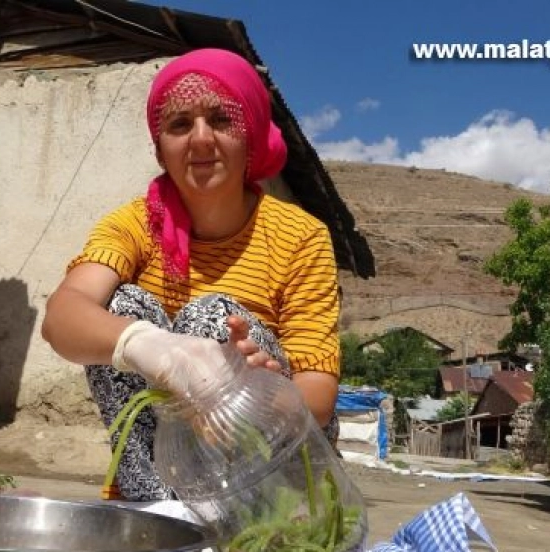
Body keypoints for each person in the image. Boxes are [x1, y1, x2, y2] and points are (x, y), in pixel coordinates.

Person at [41, 48, 341, 501]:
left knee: (211, 317)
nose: (201, 140)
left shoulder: (301, 236)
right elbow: (62, 317)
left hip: (274, 459)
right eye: (180, 124)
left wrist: (244, 388)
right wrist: (153, 348)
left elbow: (317, 400)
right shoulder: (133, 224)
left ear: (252, 135)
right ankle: (161, 511)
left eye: (221, 120)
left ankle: (243, 520)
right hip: (172, 455)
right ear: (160, 147)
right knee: (119, 309)